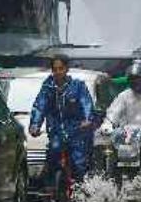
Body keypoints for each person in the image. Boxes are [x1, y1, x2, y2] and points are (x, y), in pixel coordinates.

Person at [29, 53, 95, 182]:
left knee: (79, 163)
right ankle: (50, 190)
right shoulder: (47, 88)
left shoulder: (78, 86)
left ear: (66, 69)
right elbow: (39, 106)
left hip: (77, 131)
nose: (58, 72)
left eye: (61, 69)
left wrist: (87, 119)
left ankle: (82, 191)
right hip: (56, 131)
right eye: (55, 69)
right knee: (53, 156)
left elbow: (86, 103)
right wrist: (35, 125)